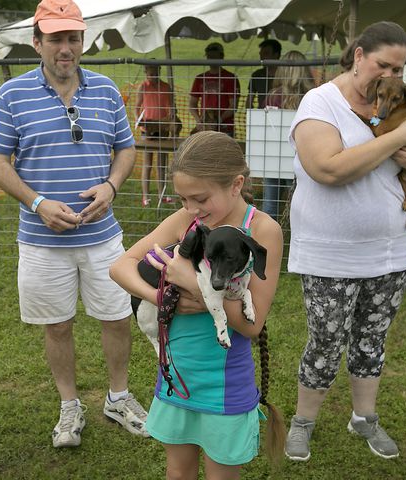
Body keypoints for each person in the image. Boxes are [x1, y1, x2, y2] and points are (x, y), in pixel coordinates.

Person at [285, 21, 406, 462]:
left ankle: (364, 418)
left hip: (392, 251)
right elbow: (328, 169)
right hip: (332, 254)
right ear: (358, 55)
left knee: (371, 339)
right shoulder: (319, 103)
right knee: (325, 341)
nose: (390, 75)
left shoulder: (402, 100)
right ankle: (303, 422)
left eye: (400, 67)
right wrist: (400, 139)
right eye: (383, 64)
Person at [0, 0, 149, 449]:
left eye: (73, 38)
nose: (65, 47)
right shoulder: (12, 95)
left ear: (83, 42)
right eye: (56, 38)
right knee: (56, 325)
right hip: (41, 239)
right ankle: (69, 406)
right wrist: (37, 203)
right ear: (36, 43)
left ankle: (117, 397)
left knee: (117, 316)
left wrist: (112, 187)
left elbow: (126, 148)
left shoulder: (106, 90)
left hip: (103, 236)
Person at [110, 131, 285, 478]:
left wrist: (195, 288)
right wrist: (160, 298)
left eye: (200, 198)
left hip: (224, 383)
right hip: (177, 375)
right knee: (178, 472)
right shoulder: (186, 221)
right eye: (183, 198)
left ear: (236, 184)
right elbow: (119, 267)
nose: (190, 209)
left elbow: (252, 325)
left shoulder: (262, 230)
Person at [261, 50, 316, 221]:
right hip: (301, 155)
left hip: (274, 155)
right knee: (299, 197)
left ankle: (267, 235)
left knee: (271, 198)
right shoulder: (312, 97)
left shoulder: (273, 96)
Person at [135, 63, 175, 207]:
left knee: (162, 163)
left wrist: (170, 118)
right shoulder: (143, 87)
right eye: (149, 74)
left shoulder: (166, 87)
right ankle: (145, 196)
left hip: (163, 128)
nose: (152, 76)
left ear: (159, 71)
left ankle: (162, 194)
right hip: (148, 129)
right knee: (147, 163)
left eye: (155, 73)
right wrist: (140, 122)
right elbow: (137, 107)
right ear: (145, 72)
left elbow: (171, 107)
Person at [189, 42, 240, 137]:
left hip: (225, 127)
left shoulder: (230, 78)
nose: (211, 60)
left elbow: (233, 105)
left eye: (214, 57)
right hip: (205, 126)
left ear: (221, 57)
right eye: (209, 57)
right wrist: (199, 120)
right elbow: (192, 103)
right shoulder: (200, 78)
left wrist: (219, 119)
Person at [246, 39, 282, 109]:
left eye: (266, 53)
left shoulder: (286, 75)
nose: (262, 57)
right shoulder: (257, 75)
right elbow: (249, 101)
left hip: (283, 114)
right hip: (262, 115)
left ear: (276, 55)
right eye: (261, 54)